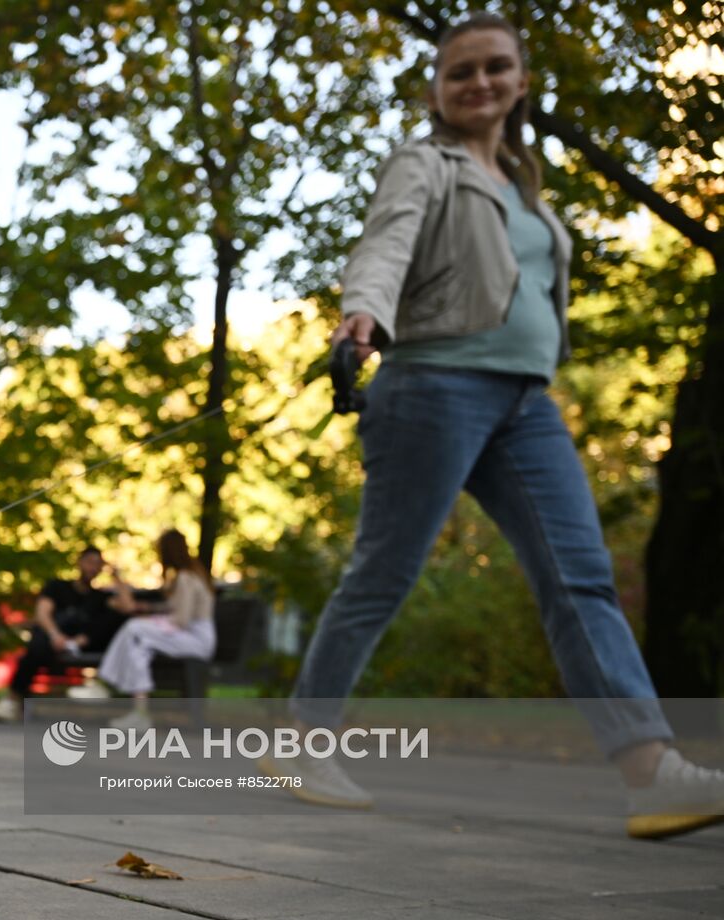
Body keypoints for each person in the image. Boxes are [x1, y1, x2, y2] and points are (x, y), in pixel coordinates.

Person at [266, 12, 723, 840]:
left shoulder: (525, 183)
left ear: (520, 77)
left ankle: (651, 774)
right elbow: (387, 240)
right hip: (433, 385)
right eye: (460, 71)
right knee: (384, 572)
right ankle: (304, 736)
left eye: (496, 67)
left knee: (578, 577)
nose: (479, 82)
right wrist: (362, 314)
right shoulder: (425, 161)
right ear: (438, 91)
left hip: (525, 403)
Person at [0, 546, 127, 722]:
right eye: (90, 562)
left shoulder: (100, 597)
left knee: (115, 616)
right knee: (37, 643)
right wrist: (55, 635)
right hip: (53, 639)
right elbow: (42, 613)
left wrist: (116, 577)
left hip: (84, 642)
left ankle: (99, 682)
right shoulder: (57, 587)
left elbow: (128, 607)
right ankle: (12, 701)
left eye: (98, 564)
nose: (93, 568)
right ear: (79, 563)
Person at [100, 529, 215, 731]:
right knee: (139, 648)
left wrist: (151, 619)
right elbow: (174, 608)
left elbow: (182, 619)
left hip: (196, 640)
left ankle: (103, 683)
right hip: (188, 636)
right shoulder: (189, 576)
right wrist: (148, 610)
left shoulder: (186, 578)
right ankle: (140, 714)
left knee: (134, 628)